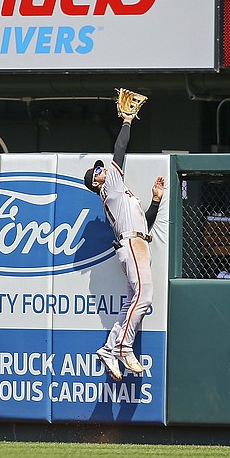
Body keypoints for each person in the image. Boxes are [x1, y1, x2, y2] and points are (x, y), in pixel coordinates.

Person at [83, 113, 164, 382]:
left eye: (100, 168)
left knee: (133, 300)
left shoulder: (120, 192)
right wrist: (127, 120)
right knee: (145, 296)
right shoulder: (111, 187)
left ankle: (109, 349)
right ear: (96, 183)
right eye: (97, 171)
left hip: (138, 241)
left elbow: (145, 223)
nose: (102, 169)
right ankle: (122, 347)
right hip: (132, 245)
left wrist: (154, 202)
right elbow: (120, 149)